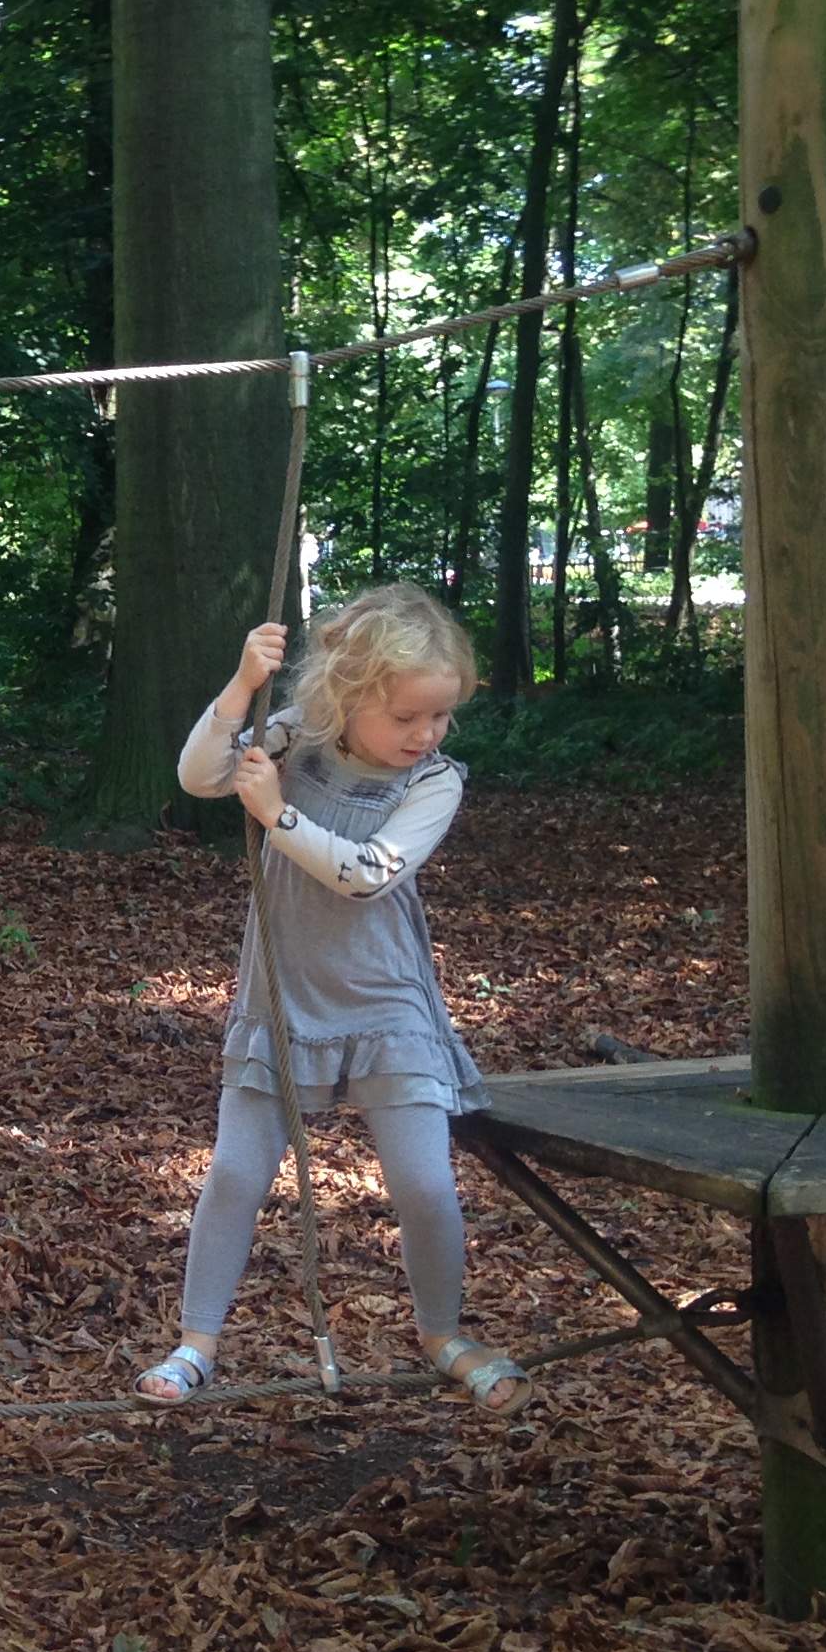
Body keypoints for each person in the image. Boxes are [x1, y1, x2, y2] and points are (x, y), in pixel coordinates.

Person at [137, 584, 529, 1411]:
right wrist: (243, 685)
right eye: (407, 716)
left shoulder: (433, 784)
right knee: (236, 1173)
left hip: (389, 1005)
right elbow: (200, 776)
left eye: (441, 716)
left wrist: (278, 818)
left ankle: (443, 1334)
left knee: (424, 1184)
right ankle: (197, 1342)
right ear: (348, 699)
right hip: (284, 995)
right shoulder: (296, 738)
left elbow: (366, 875)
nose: (427, 734)